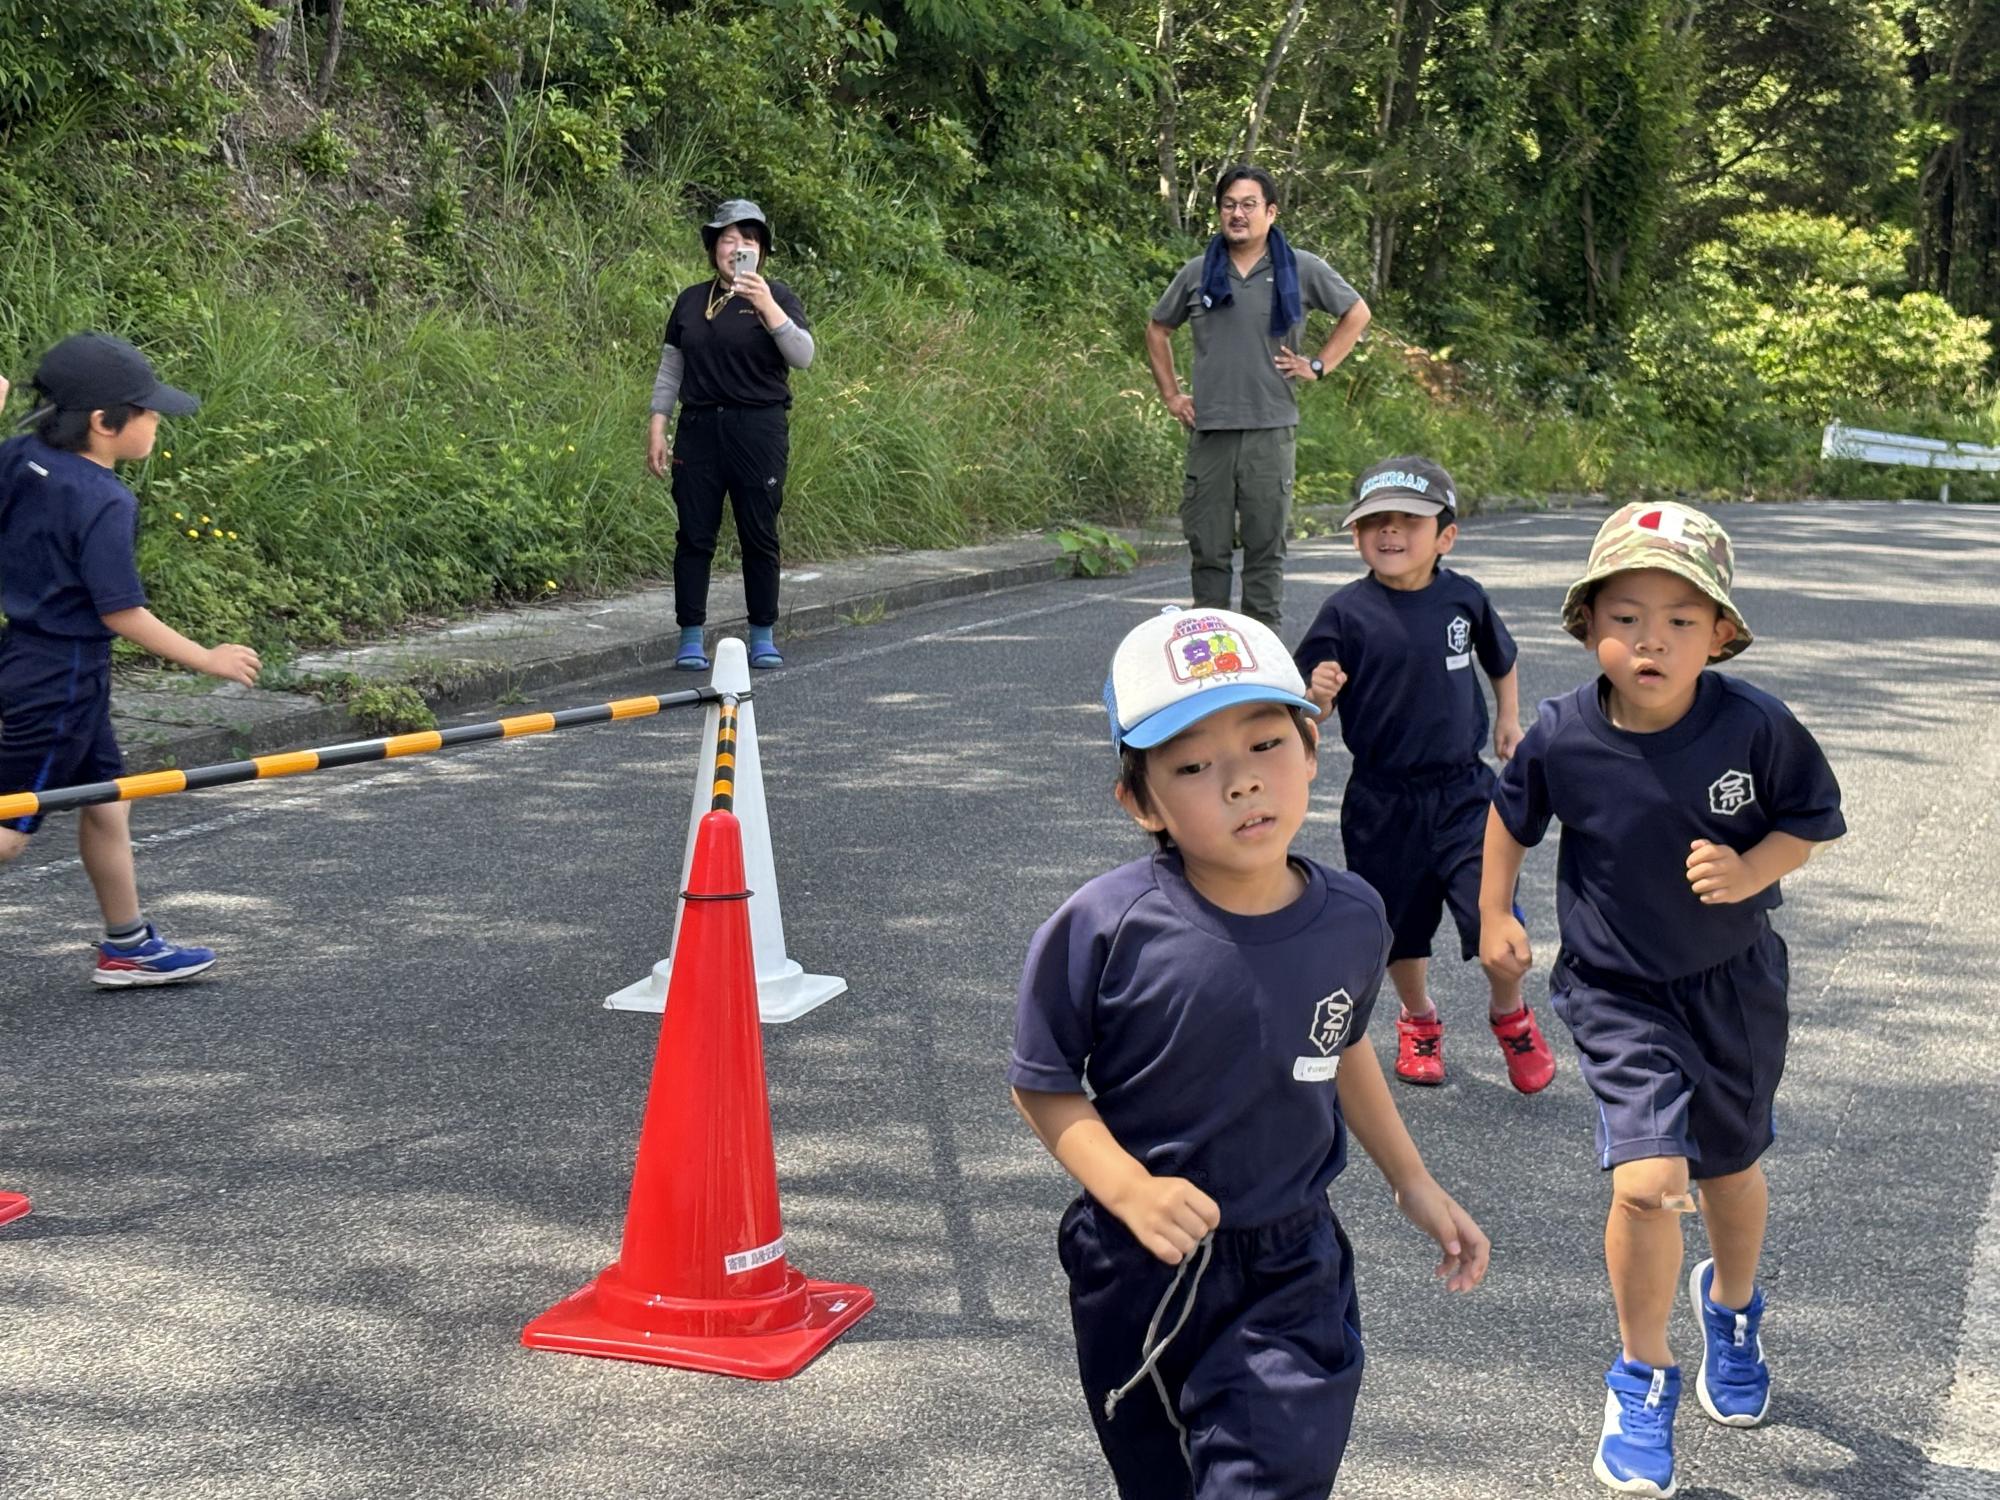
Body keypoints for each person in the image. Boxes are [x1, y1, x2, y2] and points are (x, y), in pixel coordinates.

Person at [1010, 605, 1489, 1499]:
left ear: (1312, 749)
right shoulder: (1105, 927)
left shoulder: (1353, 915)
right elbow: (1043, 1085)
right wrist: (1129, 1190)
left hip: (1288, 1263)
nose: (1239, 783)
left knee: (1269, 1478)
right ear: (1140, 801)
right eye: (1192, 765)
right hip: (1135, 1265)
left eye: (1266, 744)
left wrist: (1410, 1179)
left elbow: (1340, 1046)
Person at [1479, 503, 1845, 1497]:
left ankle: (1729, 1309)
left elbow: (1807, 824)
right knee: (1646, 1181)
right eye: (1626, 614)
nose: (1650, 638)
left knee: (1727, 1169)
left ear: (1719, 633)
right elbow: (1508, 821)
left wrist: (1747, 867)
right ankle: (1640, 1375)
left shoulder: (1753, 724)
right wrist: (1493, 913)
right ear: (1586, 623)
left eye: (1680, 620)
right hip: (1613, 990)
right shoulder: (1560, 731)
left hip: (1731, 985)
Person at [0, 333, 262, 986]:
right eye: (145, 412)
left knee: (109, 801)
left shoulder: (21, 459)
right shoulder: (104, 500)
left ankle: (127, 944)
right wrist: (208, 658)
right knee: (8, 826)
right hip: (61, 679)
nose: (154, 423)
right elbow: (121, 612)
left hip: (33, 659)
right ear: (103, 422)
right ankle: (127, 944)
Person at [1292, 456, 1555, 1093]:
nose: (1389, 533)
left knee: (1497, 924)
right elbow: (1307, 714)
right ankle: (1418, 1020)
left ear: (1444, 537)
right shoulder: (1344, 613)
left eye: (1408, 521)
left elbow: (1502, 659)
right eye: (1373, 522)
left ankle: (1510, 1013)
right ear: (1356, 536)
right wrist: (1318, 694)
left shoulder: (1463, 597)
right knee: (1399, 927)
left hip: (1466, 793)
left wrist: (1509, 721)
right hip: (1382, 799)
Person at [1145, 165, 1371, 630]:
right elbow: (1158, 327)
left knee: (1266, 551)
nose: (1238, 214)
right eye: (1229, 205)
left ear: (1271, 212)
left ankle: (1262, 670)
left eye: (1249, 205)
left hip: (1271, 430)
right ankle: (1212, 664)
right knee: (1208, 552)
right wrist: (1171, 395)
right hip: (1209, 431)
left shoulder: (1301, 267)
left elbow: (1356, 312)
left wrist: (1317, 364)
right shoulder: (1198, 273)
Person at [646, 199, 814, 671]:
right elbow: (669, 371)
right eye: (728, 239)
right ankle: (690, 636)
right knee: (694, 533)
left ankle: (761, 633)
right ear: (713, 247)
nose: (737, 247)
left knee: (758, 531)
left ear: (761, 250)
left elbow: (803, 356)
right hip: (699, 427)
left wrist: (766, 306)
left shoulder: (777, 295)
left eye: (748, 239)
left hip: (758, 427)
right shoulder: (690, 301)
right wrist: (658, 427)